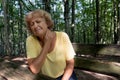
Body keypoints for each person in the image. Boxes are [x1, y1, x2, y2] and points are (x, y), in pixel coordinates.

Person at [25, 9, 77, 80]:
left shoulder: (62, 36)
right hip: (45, 78)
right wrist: (47, 43)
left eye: (38, 21)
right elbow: (35, 69)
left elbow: (70, 63)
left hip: (65, 75)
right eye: (32, 24)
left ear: (47, 23)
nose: (35, 25)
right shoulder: (30, 40)